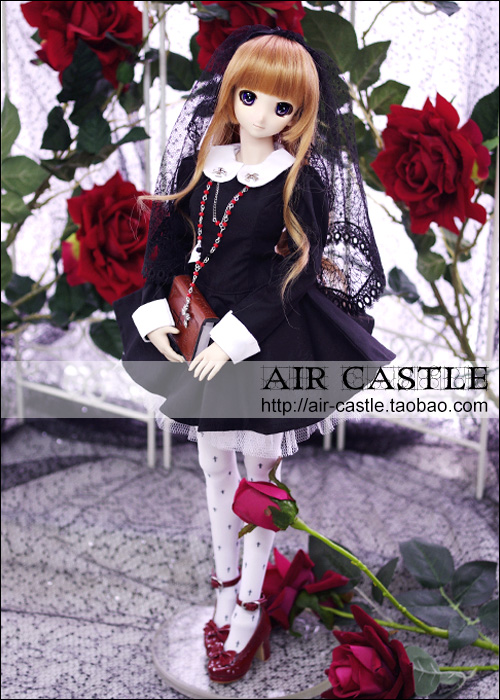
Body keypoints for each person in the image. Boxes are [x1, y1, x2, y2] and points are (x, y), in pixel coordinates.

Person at [115, 25, 395, 683]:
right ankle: (224, 588)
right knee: (214, 466)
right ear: (229, 95)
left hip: (264, 337)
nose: (262, 115)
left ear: (299, 114)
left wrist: (235, 336)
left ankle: (250, 604)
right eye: (249, 97)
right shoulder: (203, 166)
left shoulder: (300, 181)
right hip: (196, 330)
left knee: (260, 484)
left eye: (282, 105)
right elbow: (167, 243)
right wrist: (157, 311)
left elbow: (297, 271)